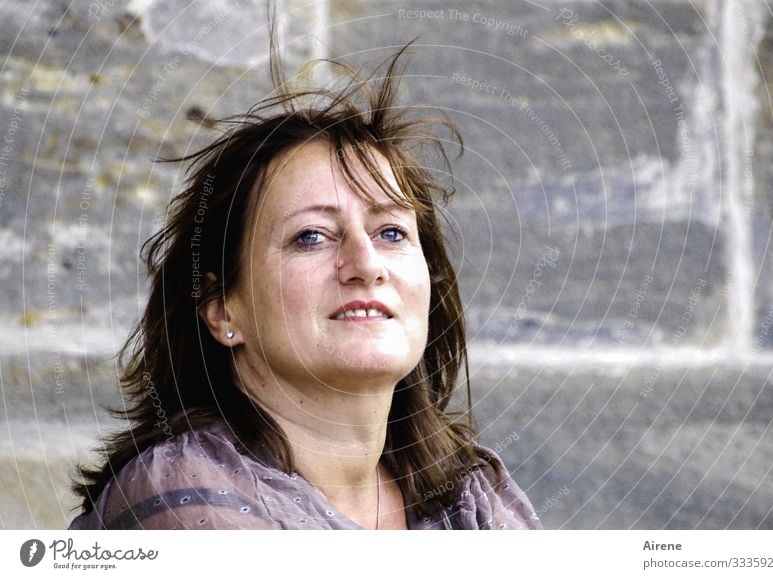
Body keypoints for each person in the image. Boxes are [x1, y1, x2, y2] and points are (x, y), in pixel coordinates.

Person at [69, 45, 542, 530]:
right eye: (310, 237)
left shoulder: (472, 493)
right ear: (221, 310)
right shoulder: (183, 493)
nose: (366, 264)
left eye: (391, 232)